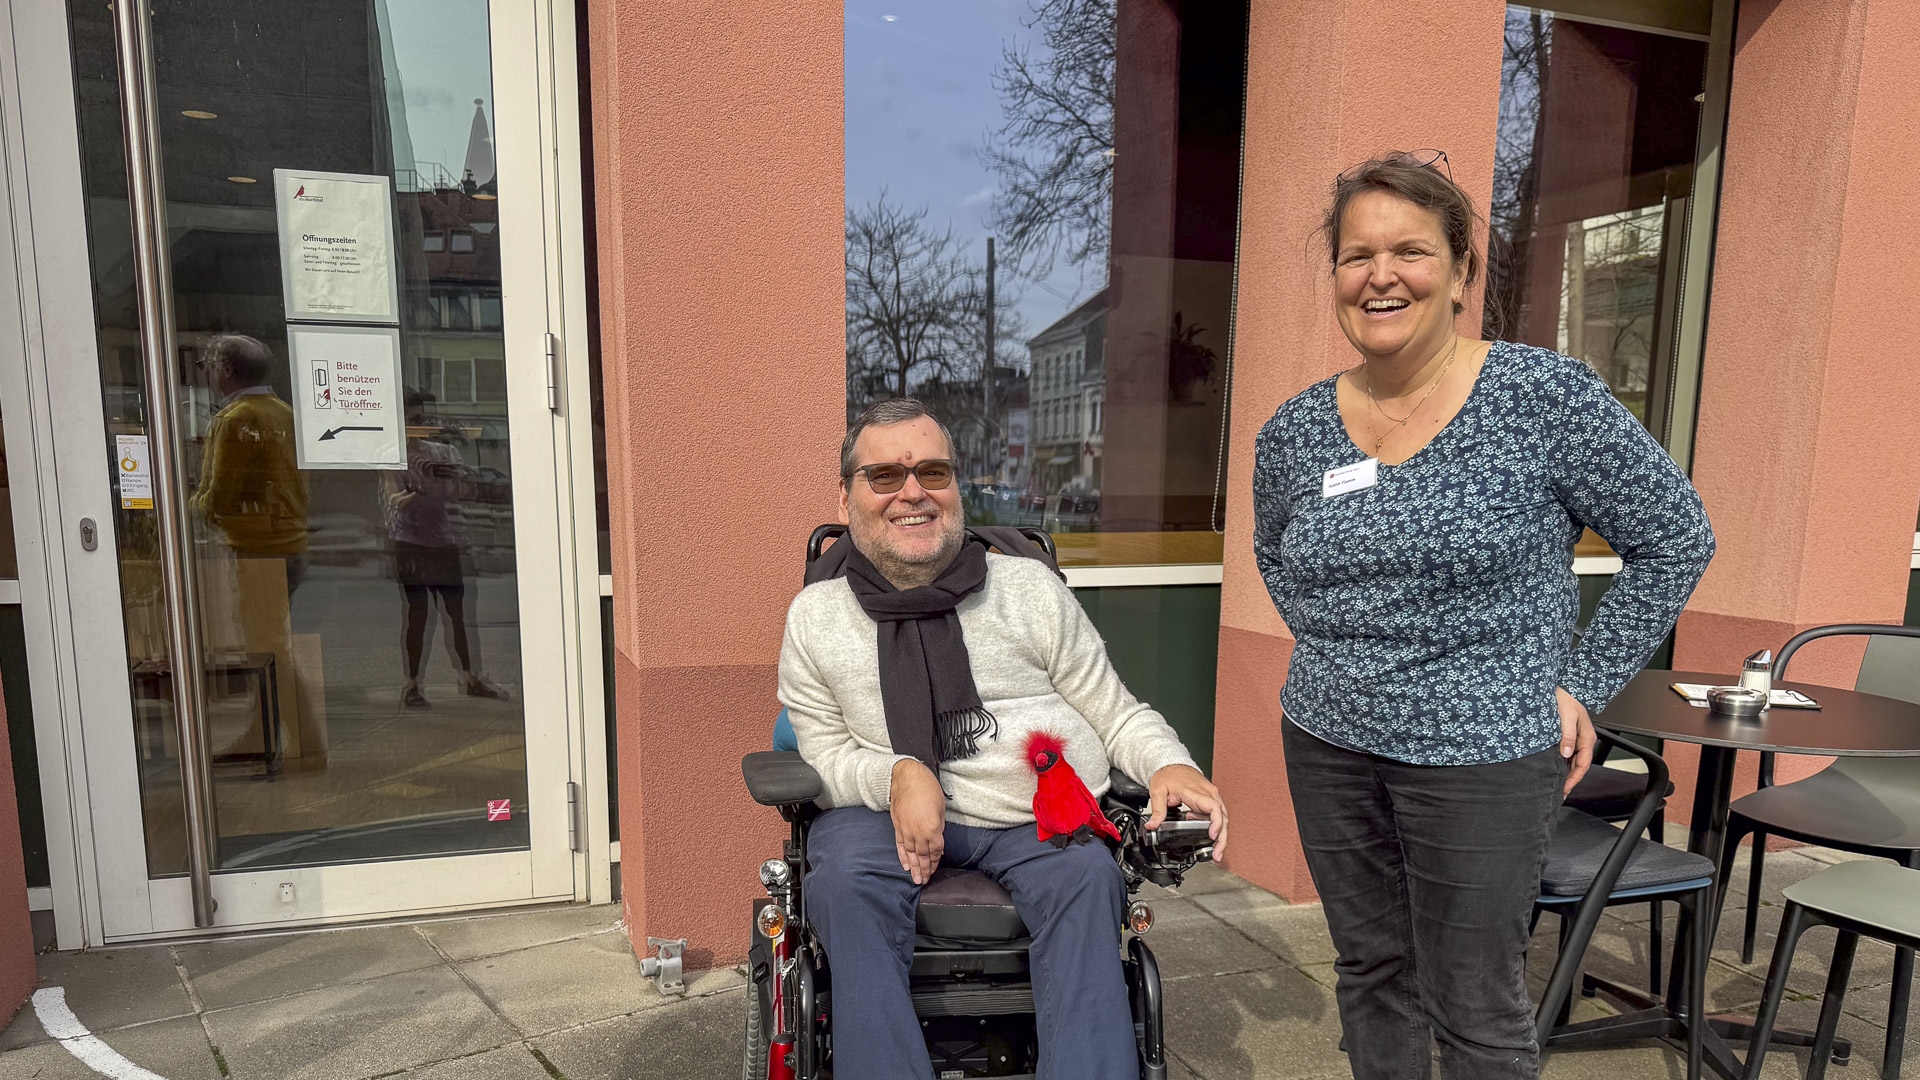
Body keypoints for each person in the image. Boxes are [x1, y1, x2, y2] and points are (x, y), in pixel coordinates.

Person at [1251, 150, 1715, 1079]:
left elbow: (1677, 536)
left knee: (1474, 1003)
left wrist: (1581, 684)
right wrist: (1356, 656)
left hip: (1485, 755)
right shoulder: (1295, 430)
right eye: (1355, 255)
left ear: (1464, 272)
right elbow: (1279, 556)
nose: (1380, 276)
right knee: (1372, 971)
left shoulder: (1545, 399)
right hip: (1329, 739)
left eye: (1410, 252)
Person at [780, 398, 1227, 1080]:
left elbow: (1114, 711)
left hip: (1031, 816)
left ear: (957, 485)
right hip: (883, 820)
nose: (913, 493)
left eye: (933, 472)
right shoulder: (815, 617)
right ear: (846, 496)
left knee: (1087, 875)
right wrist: (898, 774)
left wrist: (1171, 763)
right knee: (840, 883)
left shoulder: (1027, 591)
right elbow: (822, 752)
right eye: (884, 477)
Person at [385, 389, 504, 707]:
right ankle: (412, 684)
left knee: (458, 614)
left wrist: (456, 479)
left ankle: (469, 676)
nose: (418, 425)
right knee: (417, 615)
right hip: (410, 544)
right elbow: (397, 502)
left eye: (422, 419)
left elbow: (461, 494)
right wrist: (421, 488)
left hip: (444, 542)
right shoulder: (392, 455)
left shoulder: (442, 452)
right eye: (412, 420)